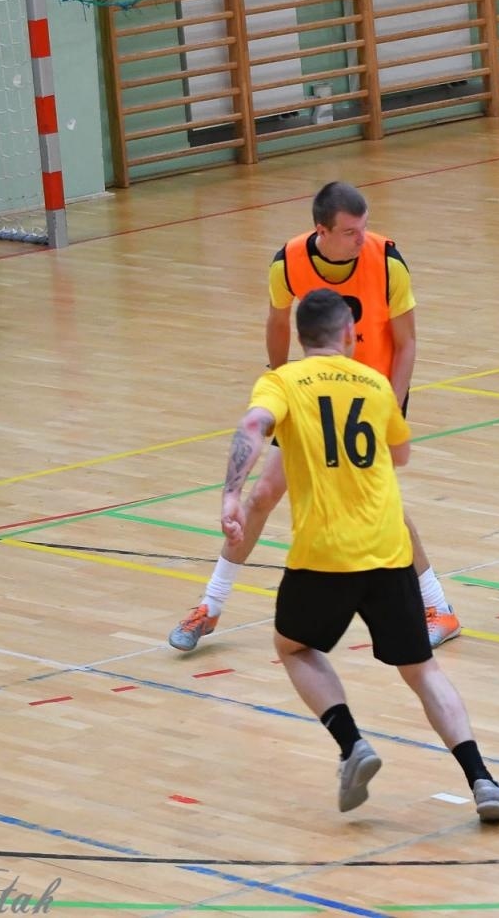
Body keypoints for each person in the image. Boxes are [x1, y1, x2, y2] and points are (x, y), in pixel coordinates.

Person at [221, 288, 499, 820]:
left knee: (294, 647)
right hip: (387, 550)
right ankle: (483, 781)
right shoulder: (376, 385)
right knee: (421, 670)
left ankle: (352, 742)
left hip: (323, 555)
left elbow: (252, 428)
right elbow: (399, 454)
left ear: (301, 338)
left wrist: (231, 494)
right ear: (349, 337)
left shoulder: (281, 381)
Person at [170, 182, 462, 651]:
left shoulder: (387, 261)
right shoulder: (288, 261)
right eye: (350, 231)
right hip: (312, 396)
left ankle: (437, 608)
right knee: (263, 494)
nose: (360, 238)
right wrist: (281, 380)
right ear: (321, 230)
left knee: (382, 507)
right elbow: (277, 322)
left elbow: (406, 343)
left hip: (367, 401)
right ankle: (211, 605)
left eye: (364, 228)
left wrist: (390, 407)